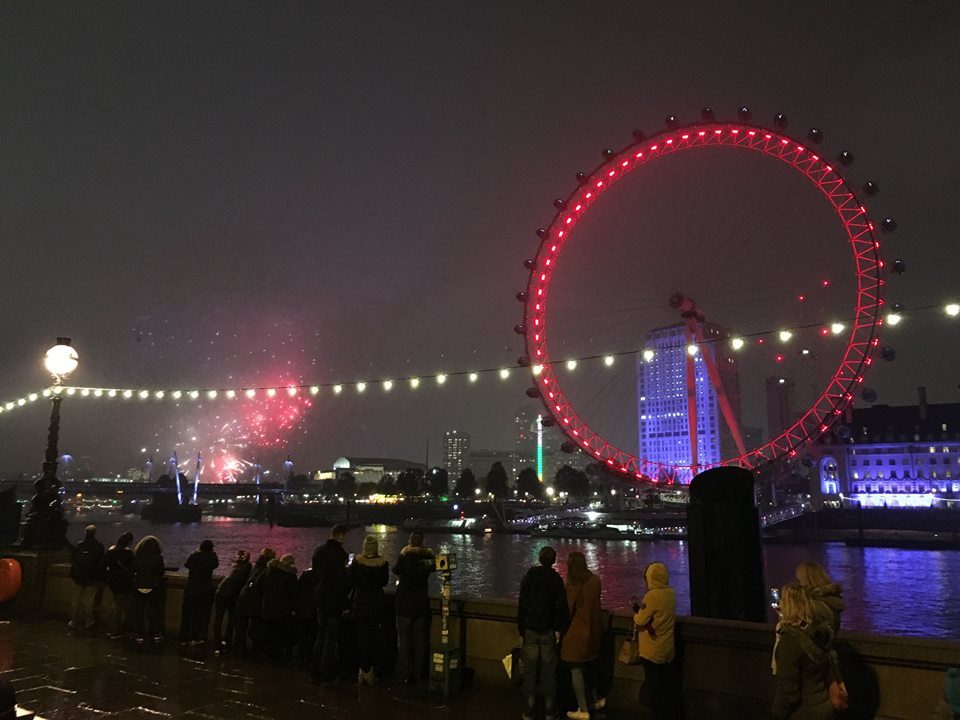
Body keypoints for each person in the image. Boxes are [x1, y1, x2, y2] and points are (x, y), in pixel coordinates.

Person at [518, 546, 569, 720]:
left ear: (540, 559)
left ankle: (529, 711)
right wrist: (558, 628)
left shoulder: (529, 577)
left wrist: (521, 629)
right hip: (548, 631)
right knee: (549, 674)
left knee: (530, 673)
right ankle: (549, 711)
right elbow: (562, 608)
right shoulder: (556, 580)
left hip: (530, 630)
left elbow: (522, 604)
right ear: (553, 561)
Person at [771, 584, 835, 720]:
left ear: (788, 606)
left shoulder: (790, 640)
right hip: (824, 705)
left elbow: (788, 690)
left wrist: (778, 714)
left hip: (804, 711)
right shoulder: (819, 631)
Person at [561, 551, 605, 720]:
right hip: (594, 630)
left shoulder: (573, 584)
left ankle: (583, 709)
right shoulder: (595, 580)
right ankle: (595, 700)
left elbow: (567, 609)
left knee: (576, 670)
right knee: (590, 668)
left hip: (577, 632)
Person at [632, 562, 677, 720]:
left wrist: (636, 613)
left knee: (654, 688)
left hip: (651, 650)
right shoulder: (671, 593)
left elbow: (640, 620)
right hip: (668, 648)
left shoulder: (651, 596)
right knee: (667, 686)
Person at [393, 531, 435, 685]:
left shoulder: (405, 557)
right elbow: (436, 564)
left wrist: (403, 552)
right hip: (420, 604)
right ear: (422, 542)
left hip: (404, 604)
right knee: (420, 640)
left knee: (404, 640)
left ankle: (405, 673)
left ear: (410, 542)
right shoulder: (427, 558)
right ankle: (419, 673)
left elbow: (396, 570)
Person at [311, 524, 351, 684]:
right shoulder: (340, 555)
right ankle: (327, 673)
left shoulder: (318, 551)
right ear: (341, 536)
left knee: (320, 635)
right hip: (334, 600)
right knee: (330, 638)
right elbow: (343, 581)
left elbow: (315, 575)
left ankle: (315, 671)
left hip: (320, 598)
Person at [350, 535, 389, 685]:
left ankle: (362, 669)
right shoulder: (383, 563)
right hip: (376, 604)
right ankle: (372, 670)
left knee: (361, 638)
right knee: (374, 639)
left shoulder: (357, 562)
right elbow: (384, 581)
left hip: (361, 603)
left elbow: (352, 579)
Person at [233, 548, 275, 657]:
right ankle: (253, 651)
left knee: (241, 626)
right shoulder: (267, 569)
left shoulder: (255, 566)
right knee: (255, 626)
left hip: (244, 595)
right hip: (254, 599)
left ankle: (238, 649)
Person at [258, 553, 298, 660]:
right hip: (281, 610)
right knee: (278, 634)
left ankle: (267, 654)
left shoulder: (268, 572)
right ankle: (276, 656)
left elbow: (258, 584)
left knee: (268, 632)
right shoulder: (287, 576)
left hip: (267, 607)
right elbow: (293, 592)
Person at [180, 540, 219, 645]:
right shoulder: (211, 558)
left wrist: (195, 552)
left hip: (191, 588)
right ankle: (196, 637)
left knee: (187, 614)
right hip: (205, 589)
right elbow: (216, 564)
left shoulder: (194, 556)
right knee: (200, 615)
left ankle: (183, 638)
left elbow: (186, 564)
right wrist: (213, 553)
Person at [213, 549, 251, 653]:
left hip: (220, 592)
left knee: (218, 619)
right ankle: (227, 641)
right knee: (231, 620)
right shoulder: (247, 567)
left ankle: (217, 644)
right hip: (231, 595)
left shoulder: (234, 565)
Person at [69, 524, 105, 630]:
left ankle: (73, 621)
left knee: (75, 600)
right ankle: (89, 621)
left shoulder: (79, 545)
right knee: (89, 601)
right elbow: (101, 563)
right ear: (94, 533)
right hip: (91, 578)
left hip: (78, 577)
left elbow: (73, 560)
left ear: (85, 533)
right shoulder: (98, 546)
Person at [132, 535, 165, 643]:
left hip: (139, 586)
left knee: (139, 612)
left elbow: (133, 570)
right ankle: (155, 633)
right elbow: (161, 572)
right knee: (154, 611)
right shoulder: (158, 558)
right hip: (153, 586)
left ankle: (139, 634)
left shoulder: (137, 557)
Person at [795, 562, 844, 634]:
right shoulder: (831, 599)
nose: (798, 585)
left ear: (805, 581)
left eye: (799, 581)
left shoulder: (815, 605)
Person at [103, 531, 135, 639]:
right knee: (119, 607)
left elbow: (105, 565)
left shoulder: (111, 551)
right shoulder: (128, 553)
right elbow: (132, 569)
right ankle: (115, 630)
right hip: (124, 583)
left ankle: (110, 628)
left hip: (113, 582)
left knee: (116, 605)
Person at [294, 562, 320, 668]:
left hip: (302, 608)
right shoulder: (322, 577)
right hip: (314, 609)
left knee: (302, 633)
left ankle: (300, 656)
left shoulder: (306, 575)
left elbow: (297, 591)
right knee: (311, 634)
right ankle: (309, 656)